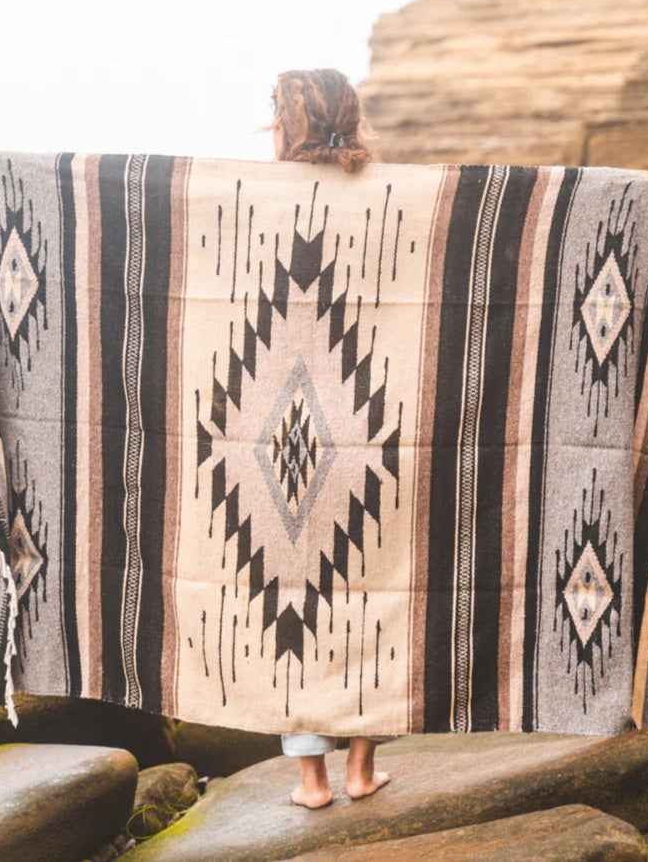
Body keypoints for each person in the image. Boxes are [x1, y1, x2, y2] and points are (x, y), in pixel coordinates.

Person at [262, 68, 396, 810]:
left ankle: (310, 780)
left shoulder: (255, 197)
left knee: (287, 600)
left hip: (277, 432)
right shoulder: (388, 193)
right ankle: (360, 767)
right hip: (371, 424)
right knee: (369, 592)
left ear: (286, 124)